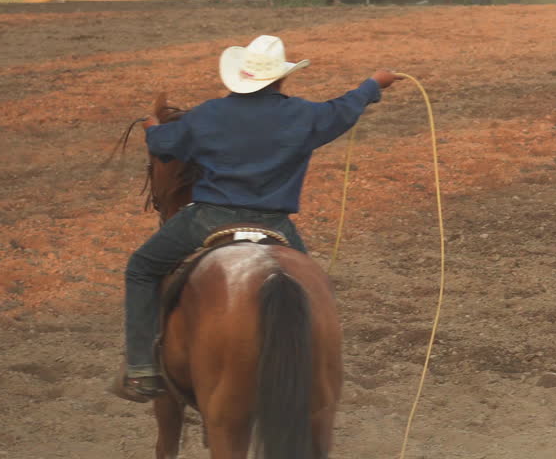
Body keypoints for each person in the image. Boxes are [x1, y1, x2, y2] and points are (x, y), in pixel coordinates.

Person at [112, 35, 400, 402]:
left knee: (141, 267)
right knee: (313, 291)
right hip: (275, 224)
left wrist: (152, 127)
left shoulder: (208, 114)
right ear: (281, 79)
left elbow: (164, 146)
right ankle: (311, 371)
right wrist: (374, 84)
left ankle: (141, 369)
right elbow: (345, 108)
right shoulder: (304, 115)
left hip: (208, 219)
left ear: (242, 77)